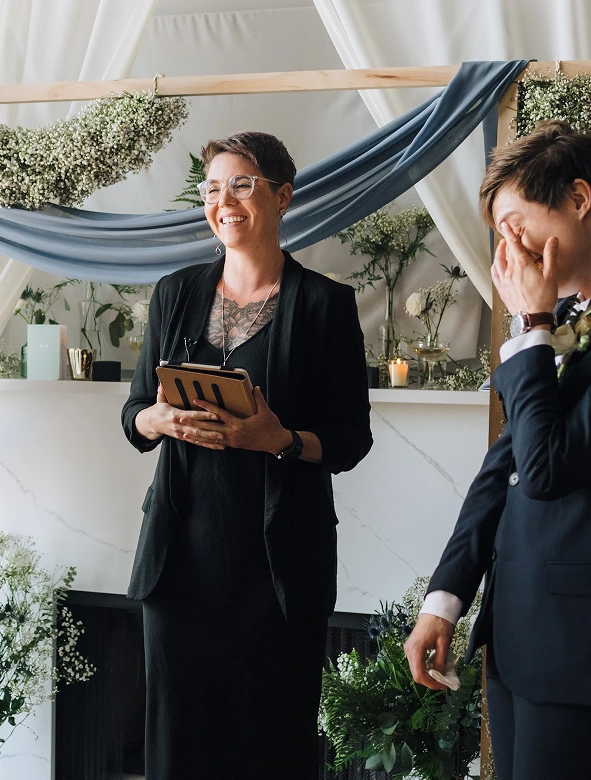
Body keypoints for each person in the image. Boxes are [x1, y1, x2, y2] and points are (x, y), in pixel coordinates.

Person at [122, 131, 372, 780]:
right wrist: (158, 417)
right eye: (211, 188)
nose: (223, 200)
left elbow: (351, 439)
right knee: (178, 751)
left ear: (282, 196)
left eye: (241, 184)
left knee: (273, 750)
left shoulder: (325, 305)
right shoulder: (175, 292)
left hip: (279, 575)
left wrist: (281, 441)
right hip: (180, 570)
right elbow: (133, 416)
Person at [405, 120, 591, 780]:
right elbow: (505, 462)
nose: (507, 249)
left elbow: (543, 471)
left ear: (578, 198)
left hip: (576, 662)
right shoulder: (568, 324)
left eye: (516, 223)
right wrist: (445, 598)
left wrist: (534, 327)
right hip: (515, 640)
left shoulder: (549, 327)